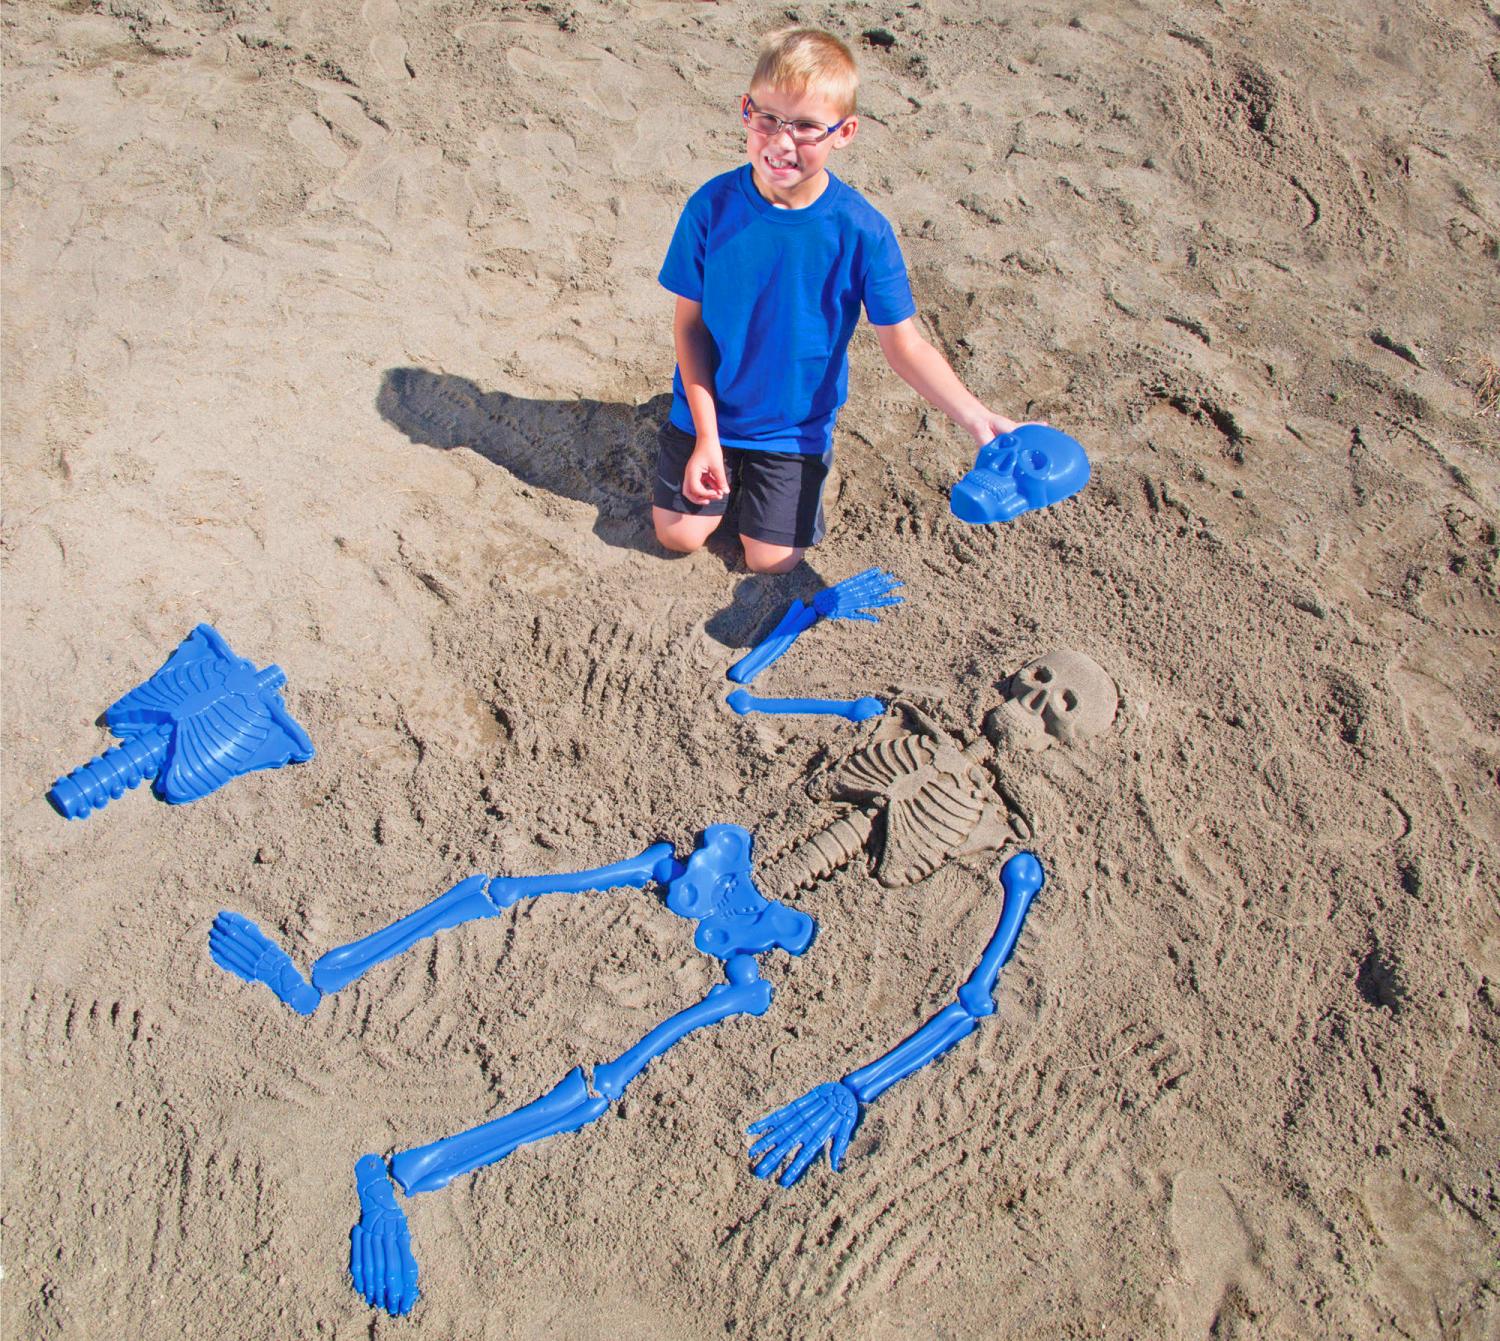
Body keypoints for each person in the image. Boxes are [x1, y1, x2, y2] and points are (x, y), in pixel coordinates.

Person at [651, 26, 1026, 575]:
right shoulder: (710, 207)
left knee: (771, 563)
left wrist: (975, 417)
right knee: (678, 537)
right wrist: (707, 436)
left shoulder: (864, 232)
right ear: (745, 110)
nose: (781, 142)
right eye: (767, 119)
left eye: (805, 127)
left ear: (844, 132)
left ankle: (787, 476)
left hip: (793, 427)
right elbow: (691, 329)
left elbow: (905, 347)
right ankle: (711, 452)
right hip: (710, 410)